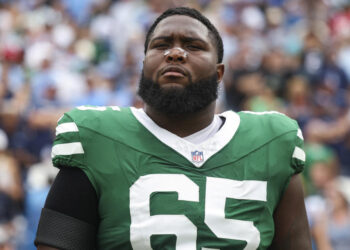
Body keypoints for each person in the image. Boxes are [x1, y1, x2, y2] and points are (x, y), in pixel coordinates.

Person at [35, 7, 311, 250]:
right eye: (161, 45)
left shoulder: (273, 142)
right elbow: (56, 245)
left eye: (193, 46)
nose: (175, 53)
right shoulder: (96, 137)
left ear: (219, 73)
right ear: (144, 67)